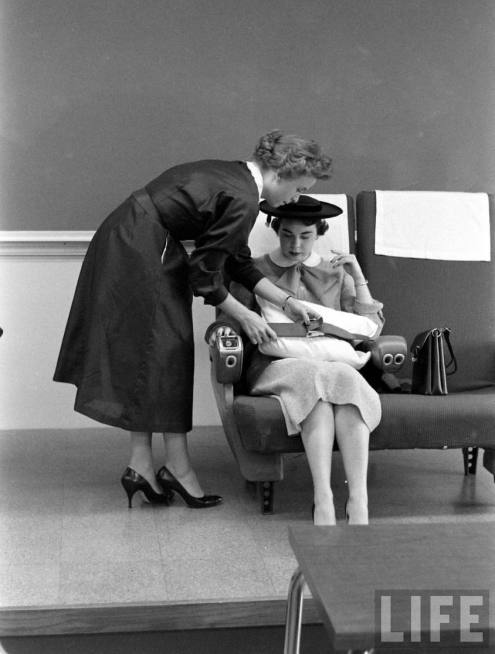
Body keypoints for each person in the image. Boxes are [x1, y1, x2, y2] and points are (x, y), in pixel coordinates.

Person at [53, 131, 332, 509]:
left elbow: (235, 260)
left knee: (152, 355)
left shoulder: (236, 179)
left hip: (133, 238)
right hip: (139, 246)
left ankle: (143, 466)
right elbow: (204, 276)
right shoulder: (244, 198)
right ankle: (176, 469)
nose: (295, 200)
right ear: (280, 175)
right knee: (168, 351)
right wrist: (245, 314)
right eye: (298, 189)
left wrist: (286, 301)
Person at [207, 196, 384, 525]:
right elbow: (226, 321)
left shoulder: (334, 273)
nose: (295, 244)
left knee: (341, 378)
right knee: (312, 377)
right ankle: (323, 498)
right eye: (287, 234)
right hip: (277, 366)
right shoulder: (255, 270)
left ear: (319, 233)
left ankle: (359, 500)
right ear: (275, 230)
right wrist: (247, 321)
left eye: (305, 236)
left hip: (332, 362)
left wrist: (357, 275)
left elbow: (368, 328)